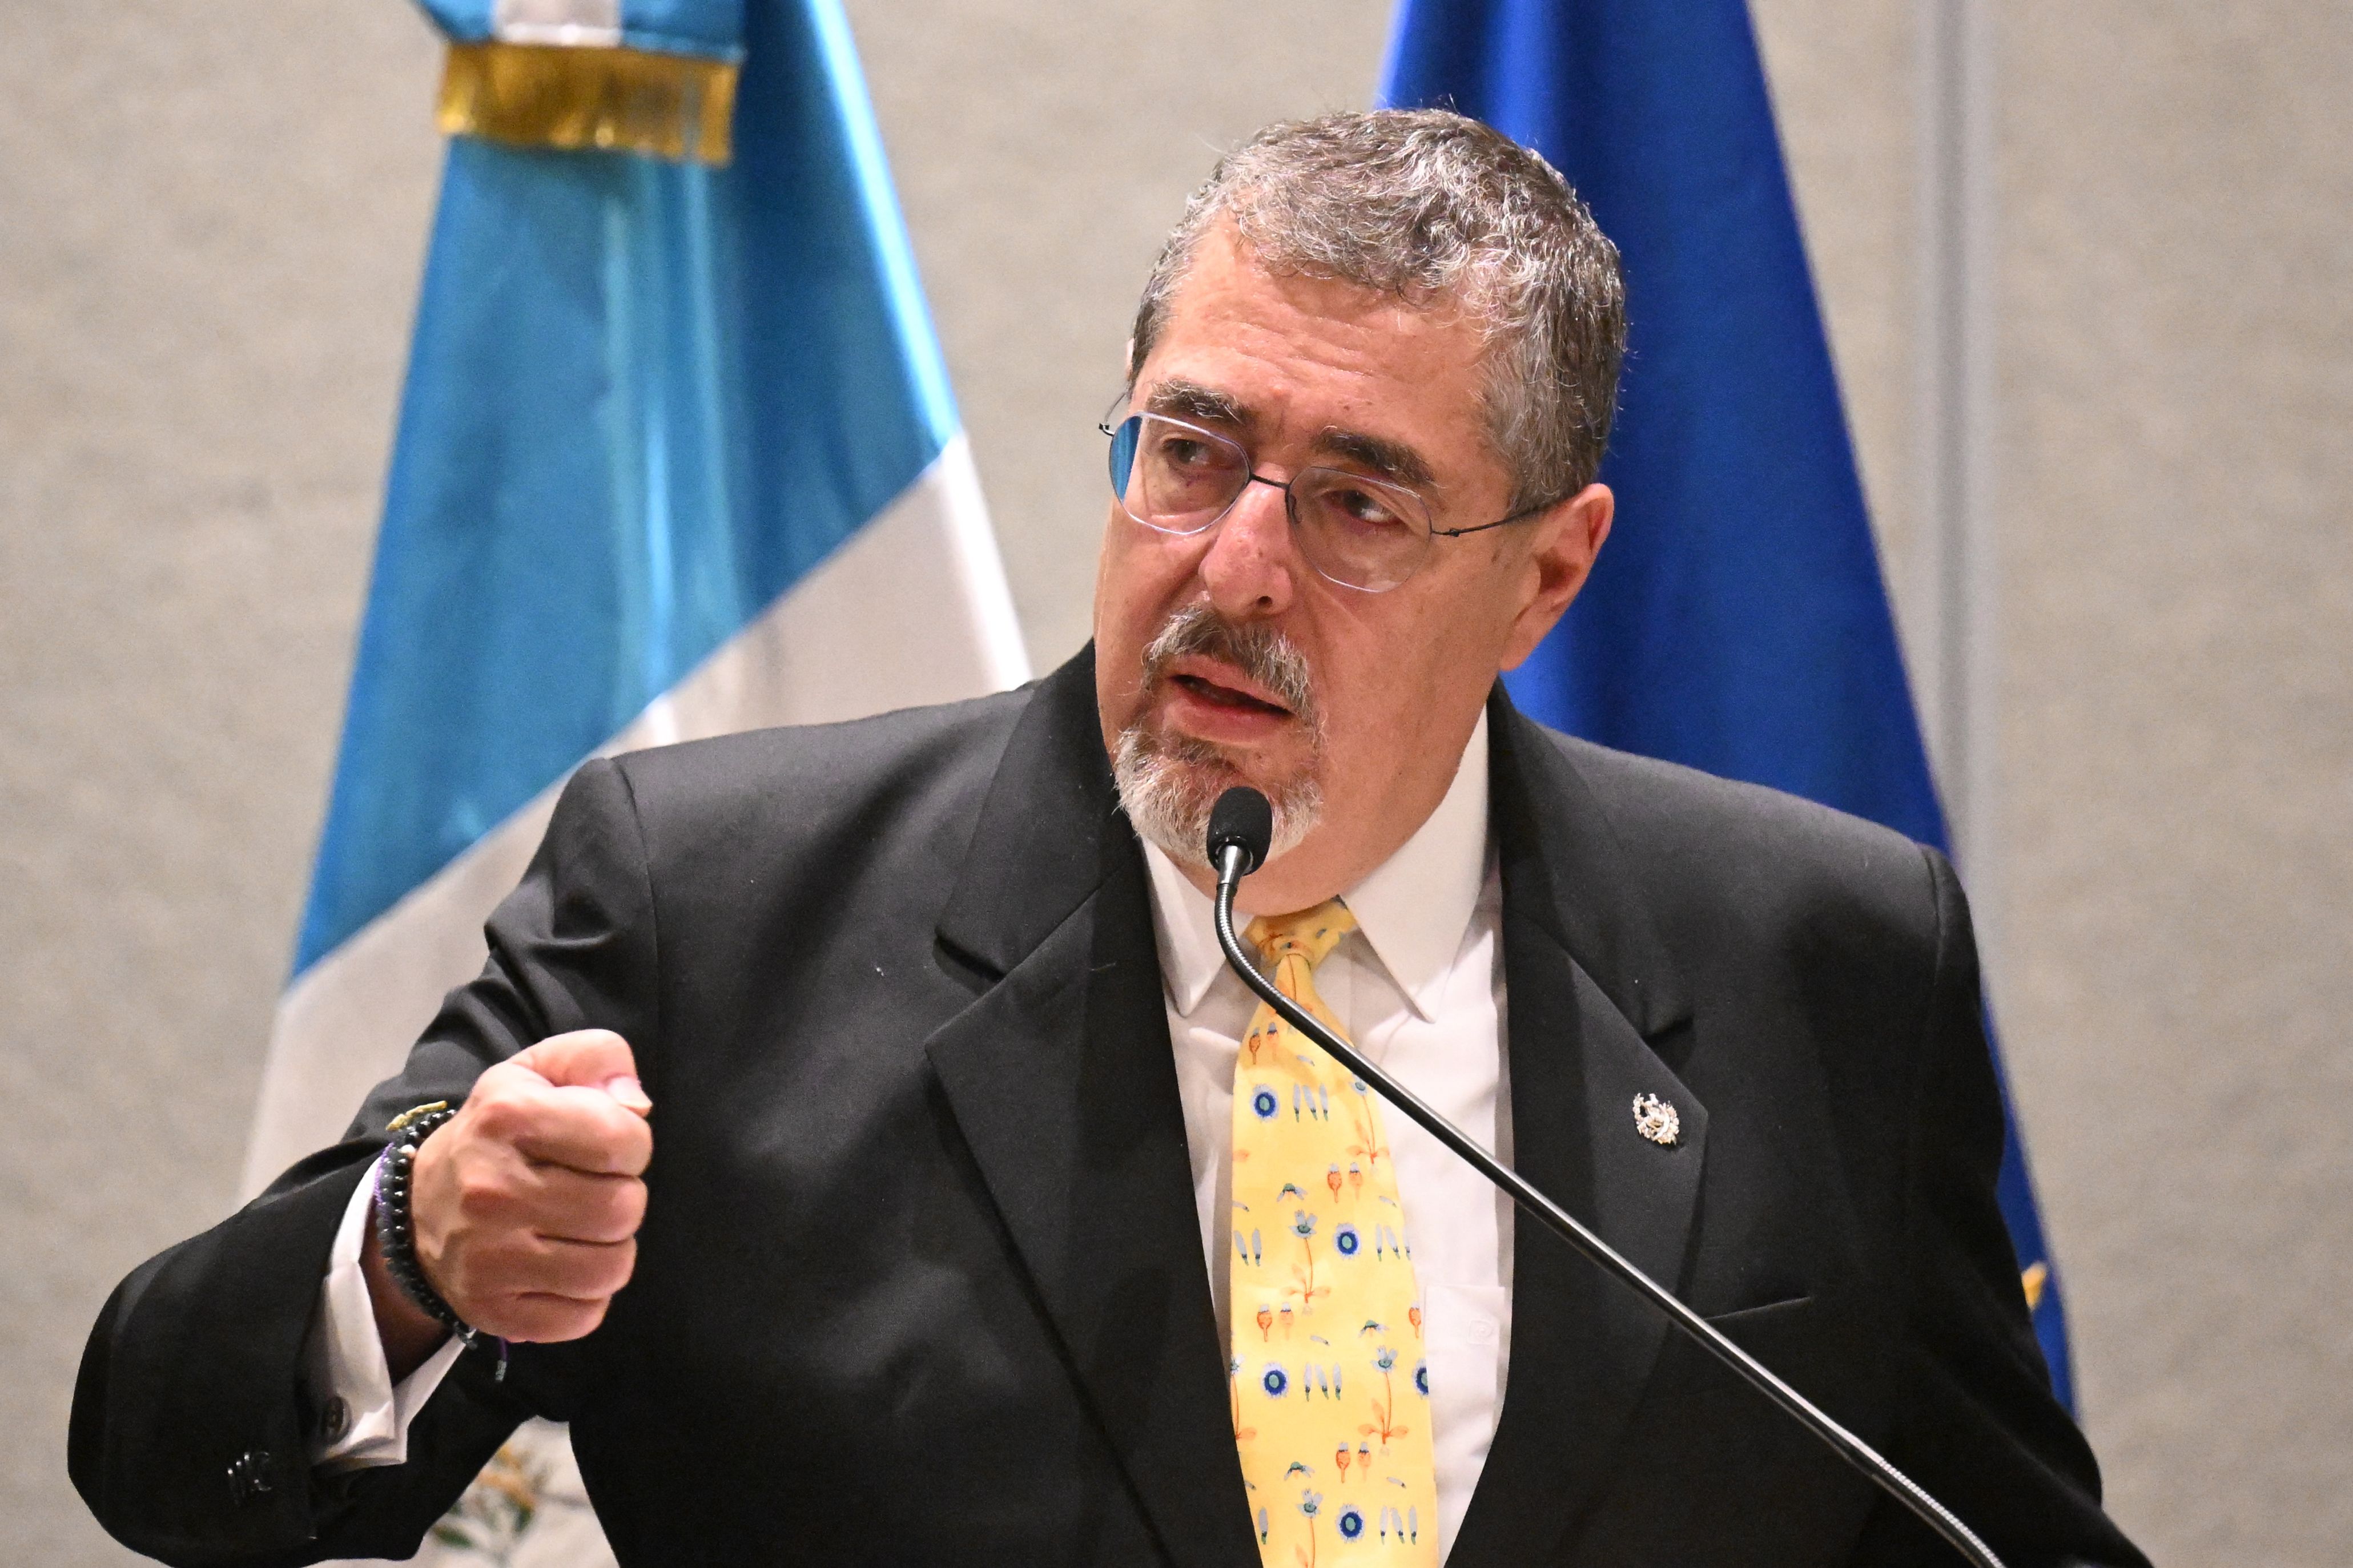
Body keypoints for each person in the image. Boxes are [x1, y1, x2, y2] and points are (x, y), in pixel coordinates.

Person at [72, 110, 2146, 1567]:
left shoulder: (1820, 960)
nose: (1230, 565)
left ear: (1543, 575)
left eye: (1355, 500)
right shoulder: (715, 907)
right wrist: (417, 1252)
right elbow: (164, 1450)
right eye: (1190, 449)